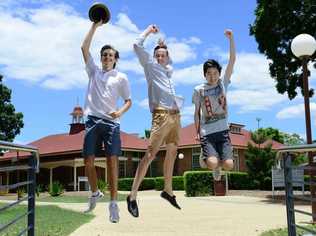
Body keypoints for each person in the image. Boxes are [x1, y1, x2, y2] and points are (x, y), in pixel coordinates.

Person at [127, 24, 184, 217]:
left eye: (163, 55)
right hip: (161, 115)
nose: (160, 57)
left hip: (176, 115)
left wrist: (164, 45)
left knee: (173, 150)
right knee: (150, 155)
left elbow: (169, 58)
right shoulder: (150, 65)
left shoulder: (168, 70)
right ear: (153, 57)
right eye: (158, 55)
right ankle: (132, 195)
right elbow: (136, 44)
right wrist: (149, 32)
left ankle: (168, 190)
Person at [81, 20, 132, 223]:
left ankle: (113, 204)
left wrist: (119, 112)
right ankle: (95, 192)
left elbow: (129, 101)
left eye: (110, 55)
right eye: (104, 55)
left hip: (112, 124)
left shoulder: (121, 77)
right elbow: (84, 47)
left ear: (115, 59)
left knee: (112, 162)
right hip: (92, 120)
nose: (107, 58)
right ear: (101, 58)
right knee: (88, 161)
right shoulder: (93, 71)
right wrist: (95, 26)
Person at [192, 29, 236, 181]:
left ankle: (220, 162)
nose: (212, 76)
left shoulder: (223, 84)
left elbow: (232, 60)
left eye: (215, 73)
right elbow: (197, 112)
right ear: (204, 74)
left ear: (219, 73)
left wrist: (231, 39)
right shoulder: (199, 90)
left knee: (229, 165)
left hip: (223, 132)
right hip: (207, 133)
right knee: (212, 163)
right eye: (209, 73)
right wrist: (197, 132)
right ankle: (207, 159)